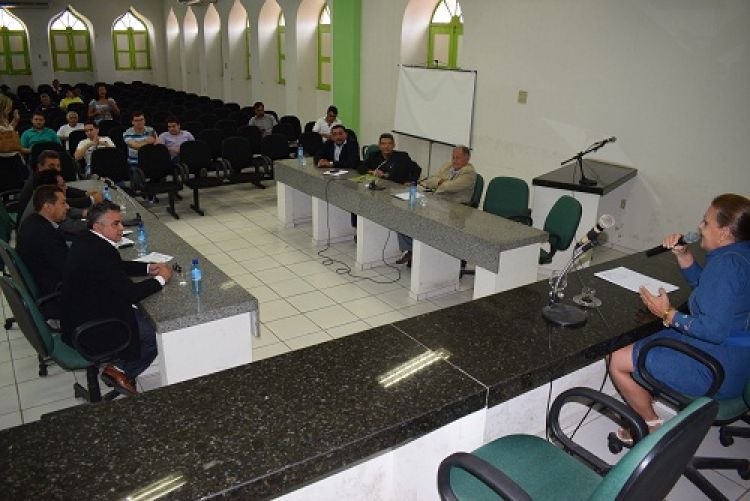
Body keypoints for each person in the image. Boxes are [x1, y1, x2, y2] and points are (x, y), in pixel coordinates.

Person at [609, 194, 750, 443]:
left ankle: (650, 426)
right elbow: (709, 290)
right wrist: (684, 255)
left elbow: (713, 330)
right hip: (739, 362)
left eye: (706, 223)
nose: (700, 227)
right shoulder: (740, 256)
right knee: (644, 340)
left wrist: (667, 313)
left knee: (617, 358)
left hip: (716, 369)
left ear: (725, 233)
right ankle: (645, 395)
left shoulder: (726, 267)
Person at [60, 201, 173, 395]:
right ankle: (120, 371)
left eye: (120, 222)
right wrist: (161, 279)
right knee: (155, 334)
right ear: (98, 227)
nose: (121, 228)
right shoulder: (101, 251)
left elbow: (114, 266)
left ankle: (120, 370)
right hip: (92, 328)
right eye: (115, 224)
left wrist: (148, 268)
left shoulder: (87, 239)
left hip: (78, 317)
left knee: (143, 321)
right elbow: (131, 294)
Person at [396, 145, 477, 266]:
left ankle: (420, 253)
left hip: (454, 209)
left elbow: (448, 187)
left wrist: (440, 182)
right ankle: (410, 249)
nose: (454, 160)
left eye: (458, 158)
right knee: (406, 213)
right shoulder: (447, 166)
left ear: (467, 158)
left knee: (423, 219)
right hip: (437, 202)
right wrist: (440, 182)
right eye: (453, 157)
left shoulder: (469, 173)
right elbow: (430, 180)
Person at [16, 185, 70, 298]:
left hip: (42, 281)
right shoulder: (46, 233)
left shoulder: (30, 221)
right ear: (48, 207)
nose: (67, 207)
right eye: (63, 203)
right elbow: (68, 270)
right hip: (55, 292)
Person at [17, 150, 101, 217]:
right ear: (40, 167)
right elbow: (60, 203)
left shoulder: (42, 177)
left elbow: (65, 188)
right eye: (51, 166)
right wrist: (91, 200)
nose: (56, 169)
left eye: (58, 166)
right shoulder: (39, 183)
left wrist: (85, 193)